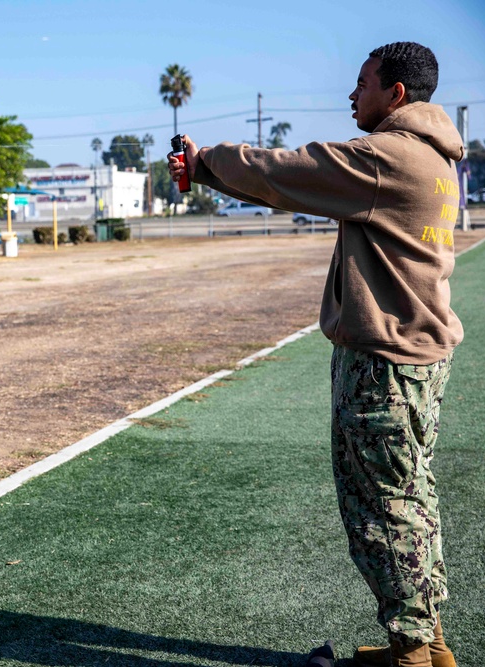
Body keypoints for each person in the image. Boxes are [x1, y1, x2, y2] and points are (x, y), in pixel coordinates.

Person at [169, 42, 463, 667]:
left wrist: (204, 161)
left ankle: (412, 653)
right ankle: (429, 645)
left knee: (383, 509)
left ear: (396, 95)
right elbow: (294, 184)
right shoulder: (438, 159)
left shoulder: (387, 157)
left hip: (383, 364)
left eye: (362, 84)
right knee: (411, 499)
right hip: (414, 358)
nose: (352, 96)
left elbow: (289, 171)